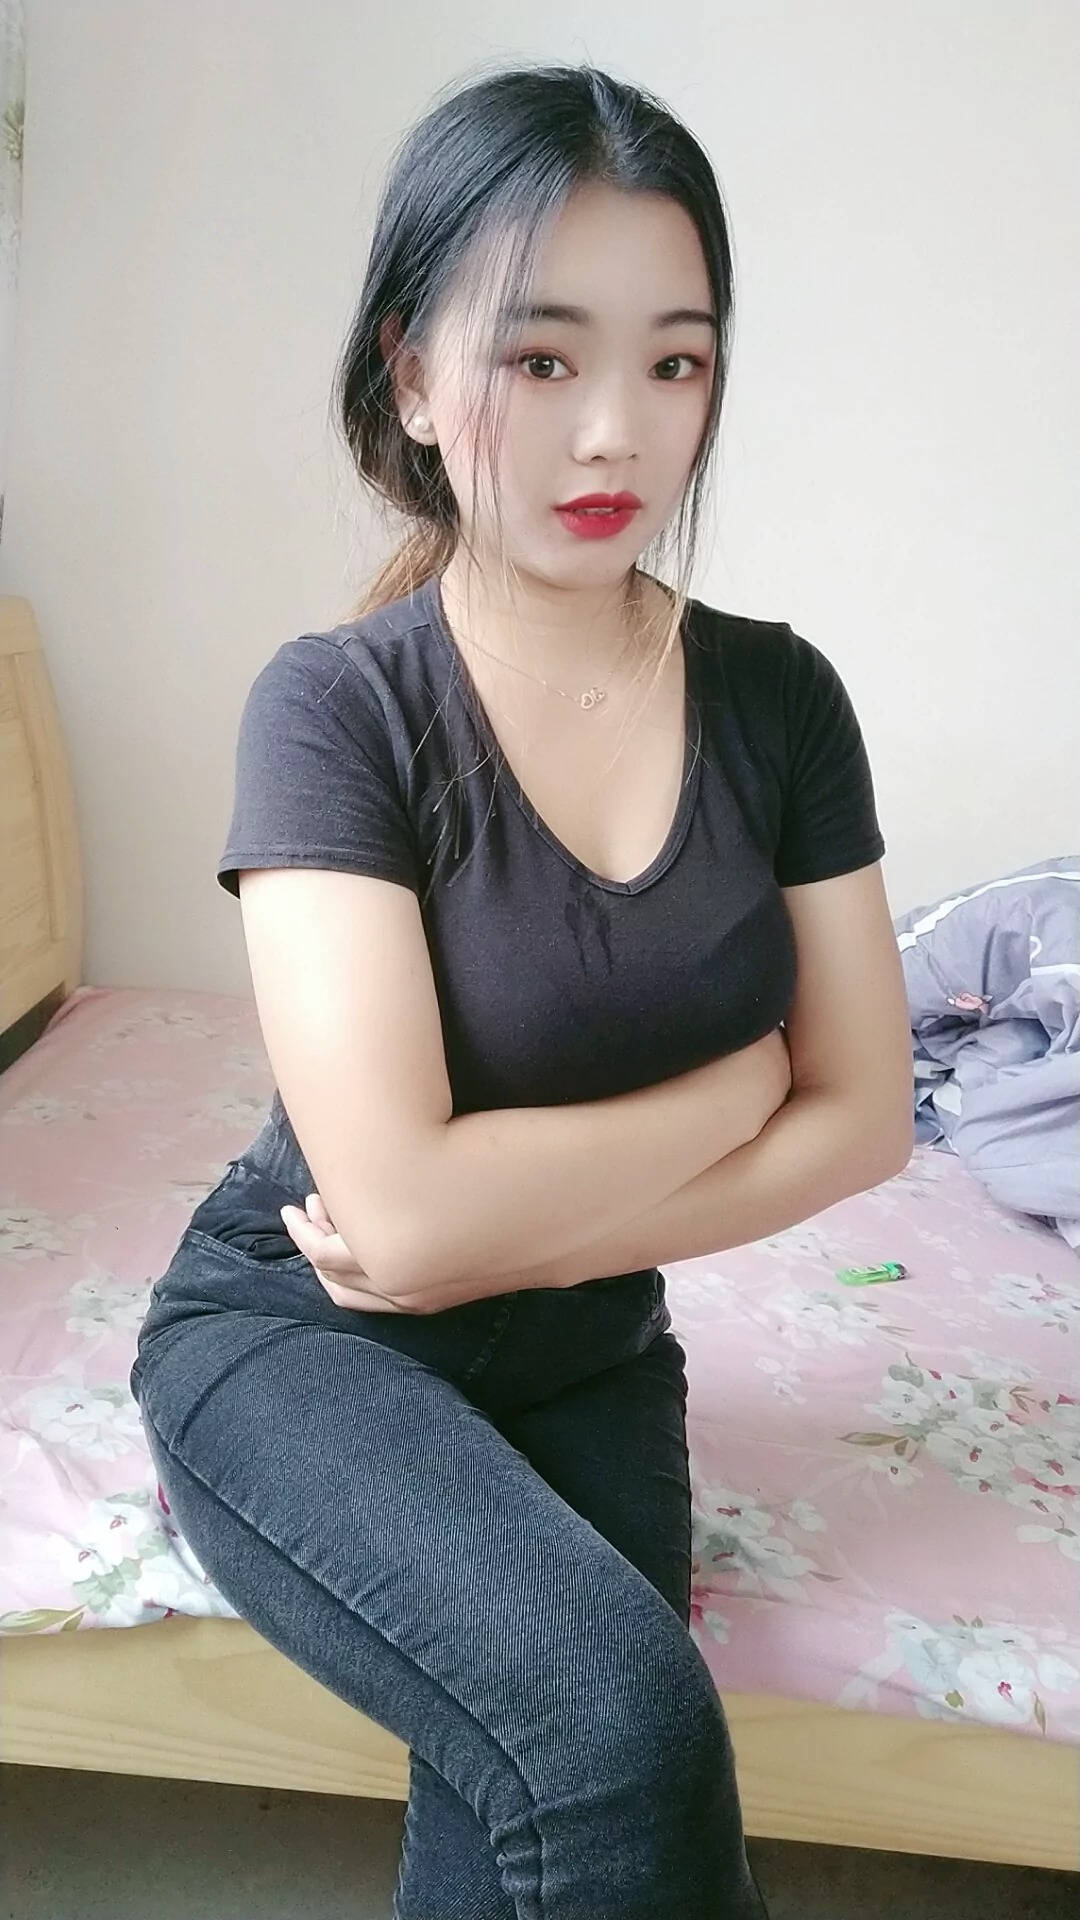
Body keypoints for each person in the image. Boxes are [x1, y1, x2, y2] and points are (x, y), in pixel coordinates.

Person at [130, 60, 899, 1919]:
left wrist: (521, 1233)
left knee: (556, 1785)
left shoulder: (780, 699)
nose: (615, 431)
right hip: (305, 1338)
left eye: (675, 362)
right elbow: (391, 1217)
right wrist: (737, 1088)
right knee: (625, 1732)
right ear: (412, 375)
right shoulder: (338, 708)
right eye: (540, 358)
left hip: (589, 1348)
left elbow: (871, 1116)